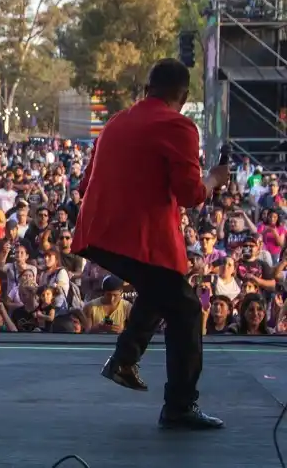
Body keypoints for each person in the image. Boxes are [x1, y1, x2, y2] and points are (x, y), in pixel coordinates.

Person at [72, 58, 229, 430]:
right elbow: (190, 193)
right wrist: (214, 178)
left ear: (147, 89)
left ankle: (125, 358)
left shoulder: (116, 122)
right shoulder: (178, 125)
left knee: (163, 292)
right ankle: (179, 405)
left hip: (98, 232)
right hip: (138, 240)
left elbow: (84, 185)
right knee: (188, 309)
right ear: (184, 96)